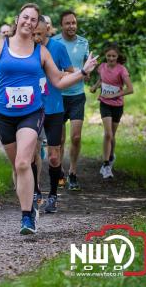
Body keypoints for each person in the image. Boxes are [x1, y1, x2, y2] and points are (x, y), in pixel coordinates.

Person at [0, 3, 98, 235]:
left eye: (33, 20)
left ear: (38, 25)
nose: (28, 22)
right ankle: (29, 208)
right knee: (17, 168)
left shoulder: (41, 51)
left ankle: (27, 218)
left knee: (24, 162)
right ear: (18, 19)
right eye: (25, 17)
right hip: (4, 116)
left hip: (31, 112)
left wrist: (83, 72)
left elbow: (58, 81)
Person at [33, 18, 74, 213]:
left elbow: (71, 73)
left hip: (55, 109)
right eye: (33, 34)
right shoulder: (25, 50)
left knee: (54, 158)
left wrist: (55, 75)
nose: (36, 38)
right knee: (32, 155)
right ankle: (35, 192)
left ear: (47, 30)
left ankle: (53, 196)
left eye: (40, 34)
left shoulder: (57, 48)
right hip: (31, 110)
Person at [53, 10, 89, 191]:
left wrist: (87, 73)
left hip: (77, 96)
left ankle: (72, 173)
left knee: (76, 137)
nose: (71, 26)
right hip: (59, 95)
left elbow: (86, 69)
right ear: (62, 25)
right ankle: (58, 171)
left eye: (74, 22)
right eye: (67, 23)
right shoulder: (55, 43)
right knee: (59, 139)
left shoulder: (84, 43)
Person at [90, 43, 133, 179]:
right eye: (109, 56)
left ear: (117, 56)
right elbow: (102, 79)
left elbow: (130, 89)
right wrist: (95, 87)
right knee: (108, 134)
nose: (111, 58)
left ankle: (111, 155)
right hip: (104, 103)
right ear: (106, 56)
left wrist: (113, 95)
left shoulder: (122, 70)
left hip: (117, 106)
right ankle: (106, 164)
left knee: (112, 136)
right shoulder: (102, 67)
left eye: (114, 56)